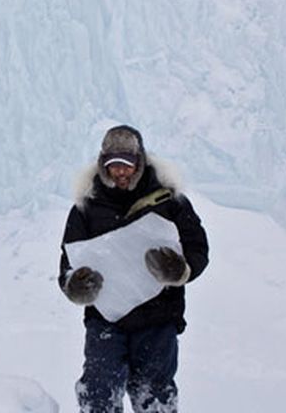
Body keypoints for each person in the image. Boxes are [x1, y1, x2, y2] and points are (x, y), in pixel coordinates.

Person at [58, 125, 209, 412]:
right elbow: (68, 262)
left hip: (158, 317)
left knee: (155, 397)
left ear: (140, 162)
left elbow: (197, 246)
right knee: (99, 394)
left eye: (126, 164)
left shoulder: (169, 200)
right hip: (106, 321)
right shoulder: (85, 207)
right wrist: (75, 285)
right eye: (113, 165)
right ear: (103, 164)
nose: (120, 172)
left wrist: (181, 270)